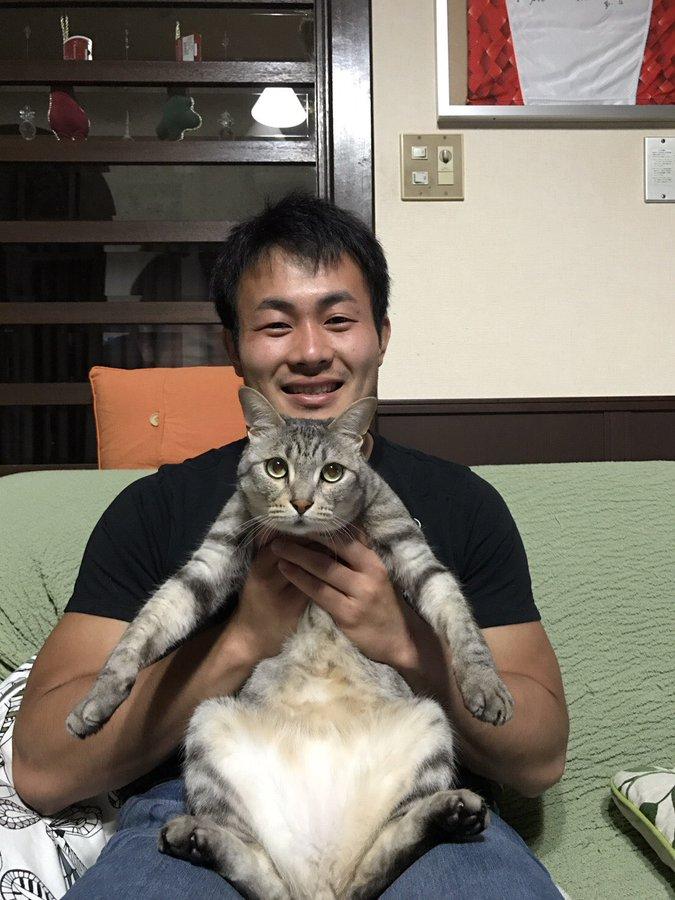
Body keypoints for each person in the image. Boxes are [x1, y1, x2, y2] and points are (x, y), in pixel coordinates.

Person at [13, 194, 569, 899]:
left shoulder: (463, 503)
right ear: (233, 348)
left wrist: (400, 640)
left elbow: (540, 759)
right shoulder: (155, 508)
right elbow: (41, 768)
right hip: (221, 797)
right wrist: (242, 638)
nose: (309, 351)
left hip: (403, 790)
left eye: (338, 319)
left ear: (381, 335)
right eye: (276, 324)